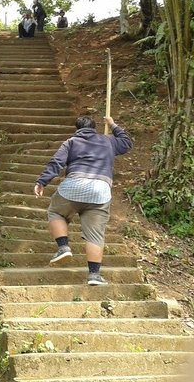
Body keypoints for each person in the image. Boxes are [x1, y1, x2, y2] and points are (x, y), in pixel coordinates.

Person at [34, 116, 133, 285]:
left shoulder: (71, 142)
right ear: (94, 128)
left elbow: (57, 162)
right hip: (100, 191)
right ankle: (94, 275)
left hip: (73, 186)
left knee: (56, 211)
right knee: (95, 234)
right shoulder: (108, 141)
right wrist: (113, 125)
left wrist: (42, 181)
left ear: (77, 128)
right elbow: (126, 143)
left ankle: (63, 247)